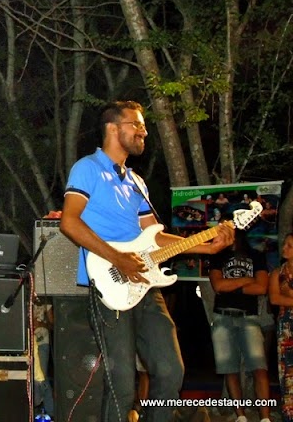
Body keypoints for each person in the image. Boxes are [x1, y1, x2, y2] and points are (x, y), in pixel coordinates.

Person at [59, 100, 234, 422]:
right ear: (113, 128)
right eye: (136, 125)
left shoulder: (136, 182)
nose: (144, 131)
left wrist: (206, 245)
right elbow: (69, 222)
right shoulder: (88, 168)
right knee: (123, 385)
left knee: (170, 371)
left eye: (143, 126)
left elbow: (153, 237)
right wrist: (119, 259)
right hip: (110, 287)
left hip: (147, 288)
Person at [208, 219, 271, 422]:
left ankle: (265, 417)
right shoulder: (218, 256)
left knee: (259, 367)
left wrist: (231, 286)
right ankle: (240, 416)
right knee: (229, 368)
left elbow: (261, 288)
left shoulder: (257, 256)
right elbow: (218, 286)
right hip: (222, 316)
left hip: (248, 317)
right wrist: (246, 281)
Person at [268, 232, 293, 422]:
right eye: (285, 244)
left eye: (289, 246)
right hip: (287, 328)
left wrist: (289, 295)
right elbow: (275, 298)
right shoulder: (277, 273)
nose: (284, 248)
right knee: (287, 372)